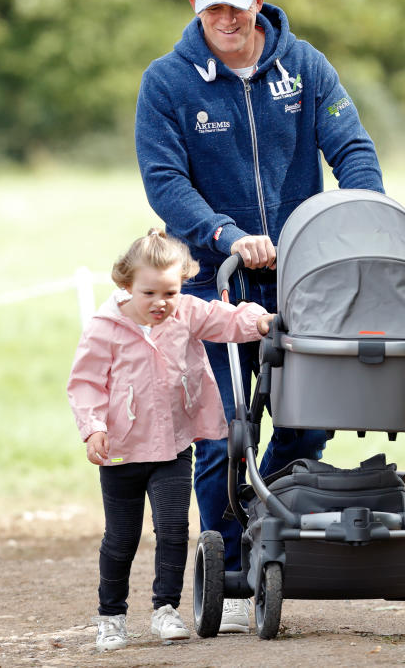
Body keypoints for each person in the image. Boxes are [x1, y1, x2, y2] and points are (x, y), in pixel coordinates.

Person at [135, 0, 384, 632]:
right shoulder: (167, 83)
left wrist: (364, 216)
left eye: (236, 7)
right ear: (196, 8)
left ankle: (263, 523)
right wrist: (222, 232)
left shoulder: (304, 67)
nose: (225, 20)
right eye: (212, 8)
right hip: (214, 280)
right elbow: (165, 180)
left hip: (306, 278)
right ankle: (234, 574)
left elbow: (352, 148)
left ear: (259, 1)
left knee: (310, 419)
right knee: (221, 432)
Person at [67, 230, 274, 651]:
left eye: (171, 291)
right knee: (121, 538)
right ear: (126, 285)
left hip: (173, 448)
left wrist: (259, 321)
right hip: (122, 453)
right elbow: (85, 383)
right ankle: (111, 615)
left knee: (174, 531)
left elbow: (224, 318)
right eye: (149, 293)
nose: (161, 302)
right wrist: (93, 428)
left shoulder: (186, 314)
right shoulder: (105, 328)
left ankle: (166, 609)